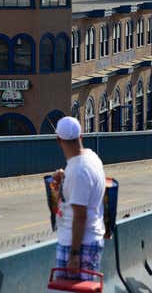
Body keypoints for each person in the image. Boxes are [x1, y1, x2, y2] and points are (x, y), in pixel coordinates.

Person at [50, 116, 106, 280]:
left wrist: (74, 255)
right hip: (89, 239)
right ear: (81, 136)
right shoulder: (91, 157)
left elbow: (80, 216)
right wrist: (64, 177)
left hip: (78, 244)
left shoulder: (78, 171)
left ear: (59, 140)